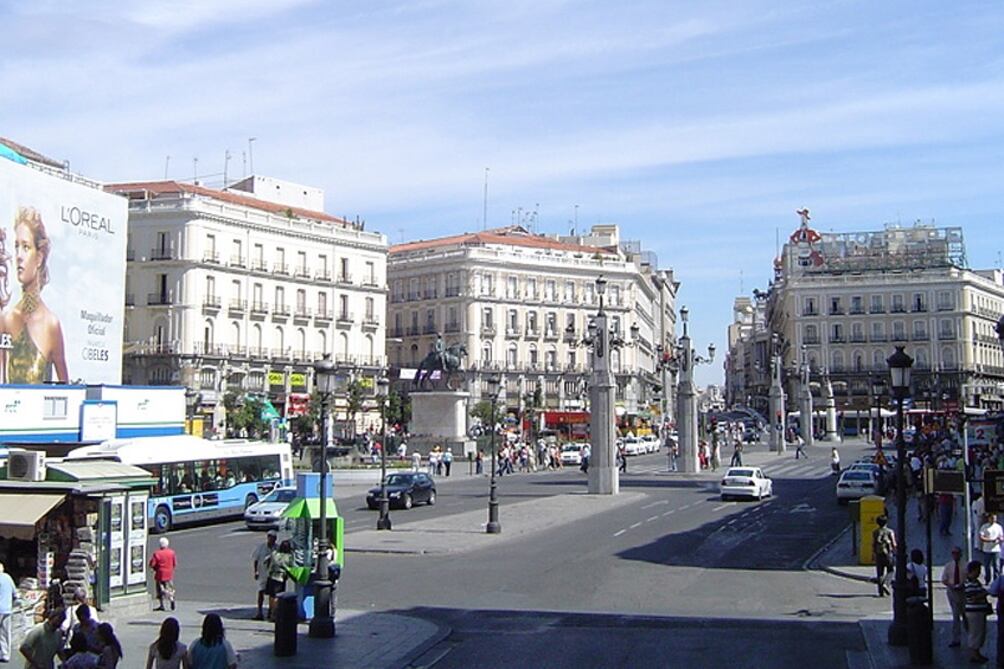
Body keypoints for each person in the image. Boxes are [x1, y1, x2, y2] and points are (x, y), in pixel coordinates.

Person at [0, 207, 69, 384]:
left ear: (39, 257)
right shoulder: (6, 319)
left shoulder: (51, 325)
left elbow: (66, 389)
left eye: (26, 247)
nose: (18, 256)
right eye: (16, 247)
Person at [964, 560, 992, 664]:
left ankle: (977, 652)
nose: (979, 573)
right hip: (974, 612)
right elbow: (972, 597)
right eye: (978, 570)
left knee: (979, 633)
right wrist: (984, 593)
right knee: (975, 633)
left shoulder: (975, 582)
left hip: (978, 611)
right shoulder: (970, 583)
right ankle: (974, 654)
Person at [942, 546, 966, 649]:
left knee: (965, 615)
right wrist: (950, 585)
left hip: (963, 592)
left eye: (956, 553)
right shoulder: (948, 566)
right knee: (955, 615)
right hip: (952, 592)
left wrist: (962, 584)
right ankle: (956, 639)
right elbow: (944, 579)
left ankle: (970, 636)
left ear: (960, 554)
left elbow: (969, 577)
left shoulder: (965, 565)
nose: (955, 555)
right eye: (953, 553)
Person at [251, 530, 277, 620]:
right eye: (270, 537)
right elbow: (256, 559)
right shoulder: (261, 547)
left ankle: (271, 612)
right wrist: (256, 571)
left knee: (272, 594)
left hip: (273, 574)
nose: (271, 539)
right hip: (262, 573)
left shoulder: (277, 548)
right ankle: (259, 612)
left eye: (273, 538)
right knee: (261, 592)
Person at [266, 540, 293, 621]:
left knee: (271, 596)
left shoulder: (275, 554)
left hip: (272, 576)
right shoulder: (289, 557)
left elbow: (268, 562)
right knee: (278, 596)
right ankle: (275, 614)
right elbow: (291, 567)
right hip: (281, 577)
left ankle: (270, 612)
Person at [149, 537, 178, 611]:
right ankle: (171, 598)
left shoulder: (157, 553)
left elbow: (152, 564)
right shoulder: (172, 552)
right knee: (170, 587)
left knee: (160, 589)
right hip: (169, 573)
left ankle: (162, 605)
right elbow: (175, 563)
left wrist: (152, 568)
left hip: (160, 574)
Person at [872, 516, 895, 597]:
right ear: (886, 522)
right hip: (888, 554)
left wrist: (873, 554)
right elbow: (894, 544)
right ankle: (886, 584)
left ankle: (880, 592)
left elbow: (874, 544)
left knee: (880, 573)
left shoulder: (875, 532)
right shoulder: (889, 531)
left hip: (878, 554)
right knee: (891, 570)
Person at [980, 513, 1004, 584]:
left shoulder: (998, 527)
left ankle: (996, 581)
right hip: (987, 550)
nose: (994, 520)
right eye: (992, 518)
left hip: (996, 549)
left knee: (996, 566)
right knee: (987, 566)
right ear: (989, 518)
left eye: (995, 518)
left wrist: (999, 539)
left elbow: (1002, 536)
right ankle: (987, 579)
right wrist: (990, 540)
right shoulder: (984, 527)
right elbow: (981, 537)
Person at [0, 561, 15, 663]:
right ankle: (6, 654)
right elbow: (15, 593)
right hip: (8, 609)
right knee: (6, 632)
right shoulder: (8, 578)